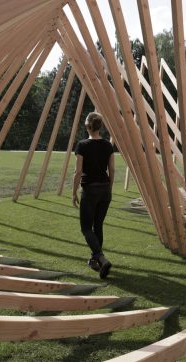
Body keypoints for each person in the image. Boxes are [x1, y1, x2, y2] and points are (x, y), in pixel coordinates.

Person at [72, 112, 115, 279]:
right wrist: (109, 188)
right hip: (105, 189)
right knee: (98, 226)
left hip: (90, 190)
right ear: (100, 127)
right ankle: (94, 259)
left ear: (88, 126)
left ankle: (102, 259)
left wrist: (73, 191)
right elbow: (111, 170)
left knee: (85, 228)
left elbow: (78, 172)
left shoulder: (82, 145)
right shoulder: (107, 145)